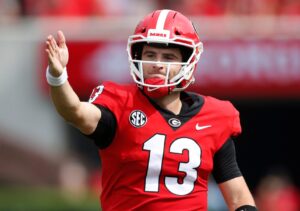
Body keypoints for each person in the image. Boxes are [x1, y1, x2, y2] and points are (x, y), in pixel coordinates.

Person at [45, 9, 257, 211]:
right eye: (150, 55)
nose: (157, 64)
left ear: (188, 61)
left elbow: (238, 197)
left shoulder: (215, 116)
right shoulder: (121, 103)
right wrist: (58, 77)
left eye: (168, 57)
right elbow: (74, 111)